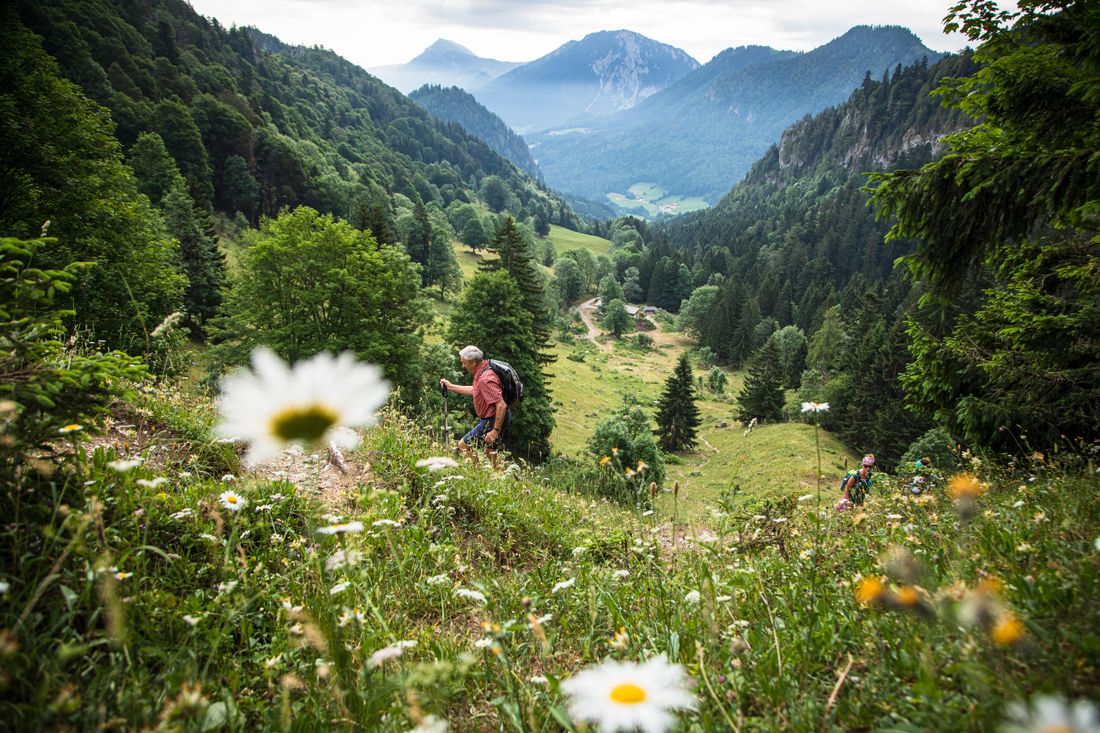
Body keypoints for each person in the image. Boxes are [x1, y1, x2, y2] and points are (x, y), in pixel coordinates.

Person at [440, 345, 511, 467]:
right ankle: (503, 477)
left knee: (463, 446)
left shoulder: (485, 378)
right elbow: (475, 390)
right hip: (498, 418)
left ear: (473, 362)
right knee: (490, 452)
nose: (463, 366)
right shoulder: (484, 369)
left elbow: (501, 405)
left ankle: (476, 474)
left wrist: (495, 430)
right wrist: (450, 386)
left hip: (493, 420)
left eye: (464, 362)